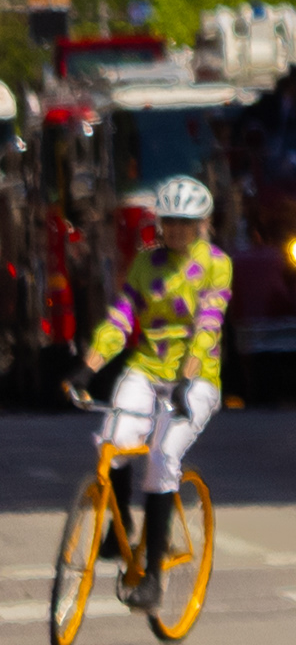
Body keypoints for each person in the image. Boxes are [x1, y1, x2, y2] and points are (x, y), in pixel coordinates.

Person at [72, 175, 229, 607]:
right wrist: (87, 368)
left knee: (161, 457)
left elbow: (208, 326)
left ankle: (153, 578)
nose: (176, 229)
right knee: (113, 441)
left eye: (186, 222)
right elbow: (121, 320)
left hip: (194, 379)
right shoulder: (145, 265)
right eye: (169, 221)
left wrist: (187, 377)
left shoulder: (216, 263)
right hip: (146, 369)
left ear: (202, 223)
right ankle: (119, 525)